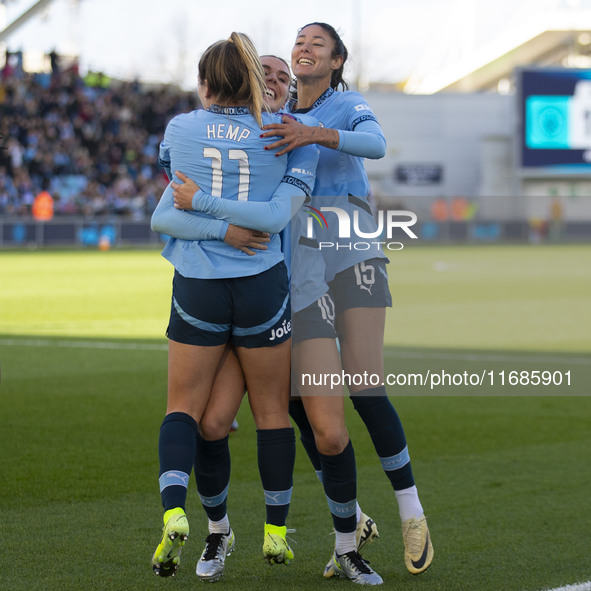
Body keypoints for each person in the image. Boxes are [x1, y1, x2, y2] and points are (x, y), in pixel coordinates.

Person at [155, 53, 384, 586]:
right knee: (212, 423)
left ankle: (347, 546)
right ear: (252, 87)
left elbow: (364, 155)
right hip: (255, 299)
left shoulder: (300, 139)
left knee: (327, 432)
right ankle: (219, 532)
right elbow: (170, 209)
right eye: (268, 76)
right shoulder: (249, 137)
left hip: (306, 301)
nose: (278, 82)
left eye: (286, 77)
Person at [260, 22, 434, 578]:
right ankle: (354, 517)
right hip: (298, 264)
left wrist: (317, 135)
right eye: (299, 42)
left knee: (363, 384)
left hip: (352, 251)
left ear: (336, 61)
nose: (303, 48)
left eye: (317, 44)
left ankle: (412, 512)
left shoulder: (345, 104)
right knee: (295, 395)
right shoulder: (275, 117)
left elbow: (376, 145)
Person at [149, 33, 318, 580]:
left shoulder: (180, 129)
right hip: (263, 287)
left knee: (188, 412)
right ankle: (273, 530)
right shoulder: (286, 136)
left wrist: (205, 210)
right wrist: (235, 225)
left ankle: (180, 512)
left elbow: (165, 216)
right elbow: (272, 221)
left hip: (198, 283)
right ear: (251, 80)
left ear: (203, 84)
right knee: (264, 415)